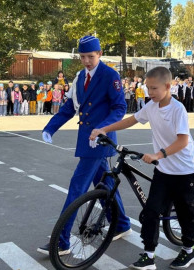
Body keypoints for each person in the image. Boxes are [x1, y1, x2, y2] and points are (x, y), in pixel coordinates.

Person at [90, 66, 194, 270]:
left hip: (184, 170)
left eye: (154, 88)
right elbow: (131, 120)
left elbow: (183, 141)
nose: (150, 93)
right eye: (148, 88)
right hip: (164, 170)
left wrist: (159, 154)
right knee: (151, 211)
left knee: (185, 211)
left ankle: (189, 250)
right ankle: (149, 256)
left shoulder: (177, 109)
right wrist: (104, 129)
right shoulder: (151, 107)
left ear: (168, 86)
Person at [38, 35, 131, 256]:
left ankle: (62, 241)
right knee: (105, 184)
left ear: (100, 54)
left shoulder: (110, 76)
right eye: (82, 57)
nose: (87, 61)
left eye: (91, 56)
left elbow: (119, 108)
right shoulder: (80, 77)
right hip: (86, 140)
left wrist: (102, 129)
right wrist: (51, 127)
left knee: (77, 189)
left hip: (100, 140)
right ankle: (121, 224)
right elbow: (70, 106)